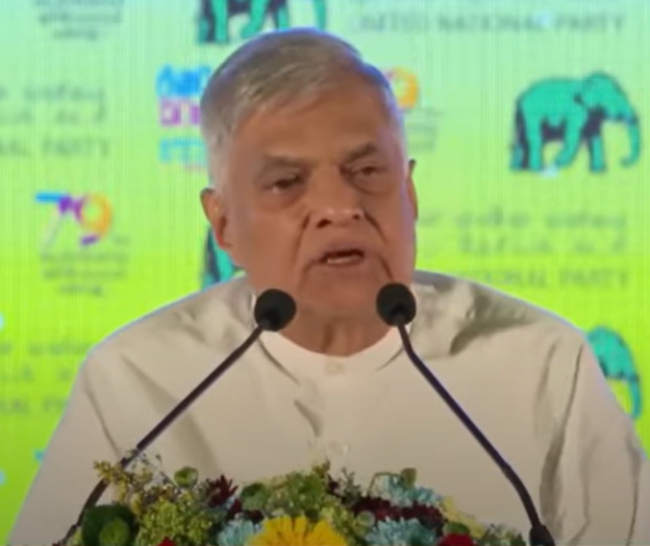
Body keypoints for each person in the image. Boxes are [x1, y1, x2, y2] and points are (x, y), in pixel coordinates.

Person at [10, 29, 648, 545]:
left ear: (410, 193)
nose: (340, 207)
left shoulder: (541, 363)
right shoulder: (134, 381)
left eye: (366, 170)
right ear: (222, 223)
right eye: (287, 183)